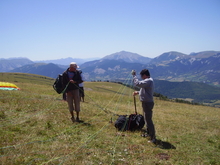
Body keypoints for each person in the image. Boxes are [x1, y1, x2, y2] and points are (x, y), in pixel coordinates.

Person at [131, 69, 157, 143]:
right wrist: (138, 92)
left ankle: (153, 138)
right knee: (146, 119)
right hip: (146, 103)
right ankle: (149, 134)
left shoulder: (148, 81)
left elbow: (138, 83)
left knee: (148, 120)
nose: (141, 77)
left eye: (142, 76)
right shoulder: (148, 81)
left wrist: (134, 75)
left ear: (145, 75)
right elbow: (146, 91)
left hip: (147, 103)